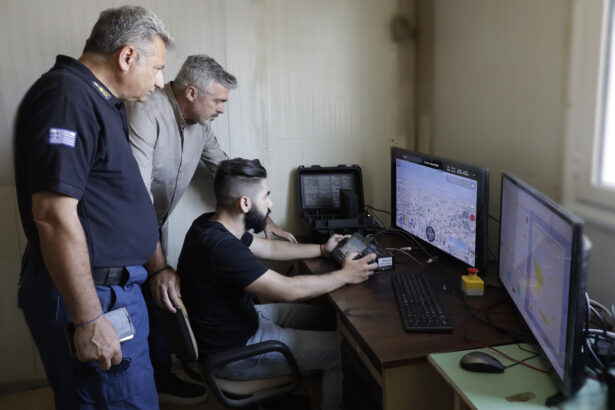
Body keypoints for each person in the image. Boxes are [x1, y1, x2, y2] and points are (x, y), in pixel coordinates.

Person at [13, 6, 174, 409]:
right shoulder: (67, 98)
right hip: (93, 298)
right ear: (127, 57)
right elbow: (53, 216)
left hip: (113, 292)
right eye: (157, 68)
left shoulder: (102, 101)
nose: (160, 81)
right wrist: (88, 318)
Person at [126, 54, 296, 404]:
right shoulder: (147, 112)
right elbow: (136, 198)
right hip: (132, 228)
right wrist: (157, 266)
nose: (222, 109)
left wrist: (263, 217)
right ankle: (156, 383)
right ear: (191, 93)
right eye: (218, 101)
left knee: (160, 303)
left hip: (154, 225)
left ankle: (163, 377)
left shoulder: (200, 125)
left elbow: (227, 171)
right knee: (149, 304)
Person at [177, 158, 377, 410]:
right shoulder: (221, 247)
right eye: (266, 196)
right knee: (339, 352)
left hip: (242, 322)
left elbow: (268, 248)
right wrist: (345, 275)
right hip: (235, 353)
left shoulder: (210, 224)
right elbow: (288, 290)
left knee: (321, 315)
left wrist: (322, 249)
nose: (270, 203)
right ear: (245, 203)